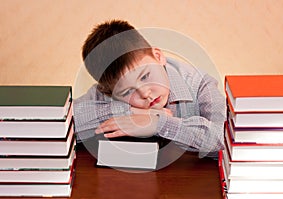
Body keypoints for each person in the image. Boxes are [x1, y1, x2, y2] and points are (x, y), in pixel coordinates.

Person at [74, 19, 226, 158]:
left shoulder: (199, 84)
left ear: (158, 56)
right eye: (128, 92)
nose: (145, 93)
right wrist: (128, 112)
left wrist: (158, 124)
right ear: (109, 92)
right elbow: (65, 122)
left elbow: (224, 137)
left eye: (145, 76)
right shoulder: (108, 91)